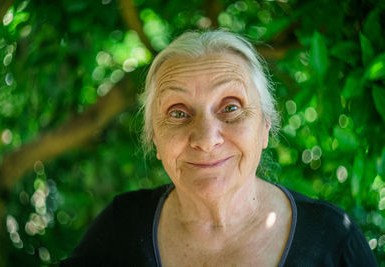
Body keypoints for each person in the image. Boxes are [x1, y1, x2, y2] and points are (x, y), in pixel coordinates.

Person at [61, 30, 377, 266]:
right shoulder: (120, 230)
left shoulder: (335, 241)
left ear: (265, 128)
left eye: (230, 107)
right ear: (155, 139)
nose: (206, 138)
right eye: (178, 112)